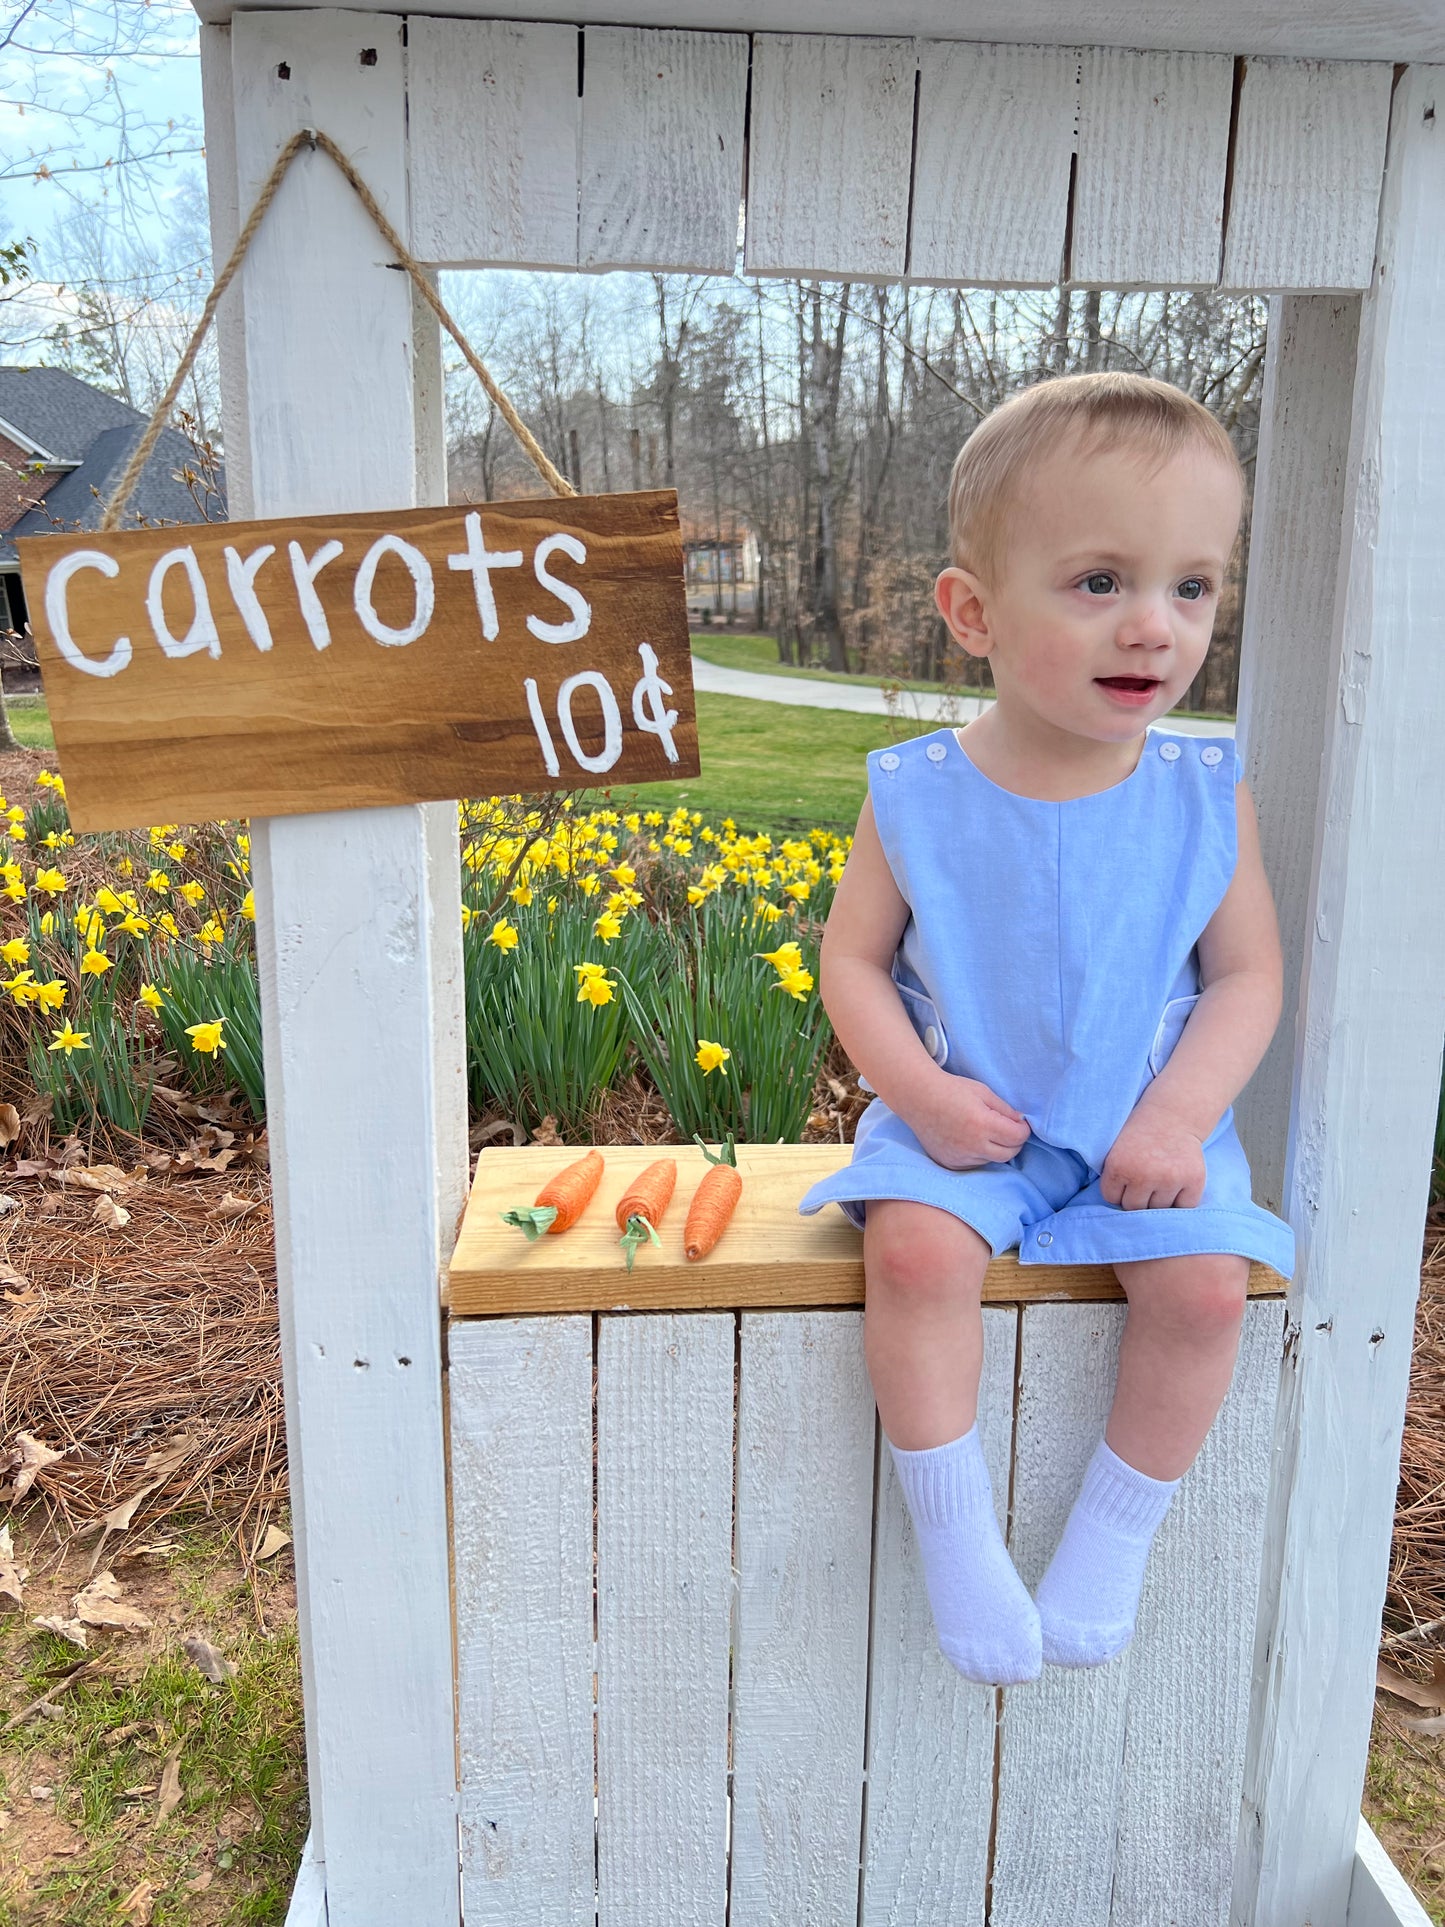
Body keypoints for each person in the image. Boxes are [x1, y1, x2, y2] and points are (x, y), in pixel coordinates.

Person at [798, 372, 1295, 1688]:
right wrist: (920, 1094)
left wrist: (1178, 1118)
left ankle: (1110, 1539)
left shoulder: (1202, 795)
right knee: (910, 1263)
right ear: (972, 612)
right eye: (1097, 582)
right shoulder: (917, 797)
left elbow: (1244, 977)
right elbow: (849, 962)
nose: (1152, 626)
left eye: (1190, 587)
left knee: (1200, 1294)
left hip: (1146, 1121)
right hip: (969, 1116)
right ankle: (955, 1541)